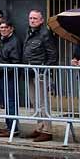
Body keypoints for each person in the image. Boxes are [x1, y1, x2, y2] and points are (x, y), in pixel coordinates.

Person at [22, 10, 57, 143]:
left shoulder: (45, 33)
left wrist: (44, 70)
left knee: (43, 102)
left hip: (40, 72)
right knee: (34, 101)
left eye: (35, 18)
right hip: (30, 72)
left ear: (41, 20)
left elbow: (52, 54)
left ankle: (47, 130)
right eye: (30, 18)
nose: (32, 20)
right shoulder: (29, 32)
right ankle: (39, 127)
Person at [0, 20, 23, 137]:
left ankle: (13, 128)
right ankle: (9, 126)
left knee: (11, 101)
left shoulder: (14, 41)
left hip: (9, 76)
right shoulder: (2, 41)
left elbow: (15, 61)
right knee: (7, 101)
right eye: (1, 28)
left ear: (11, 28)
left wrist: (2, 69)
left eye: (5, 28)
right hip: (2, 74)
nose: (3, 30)